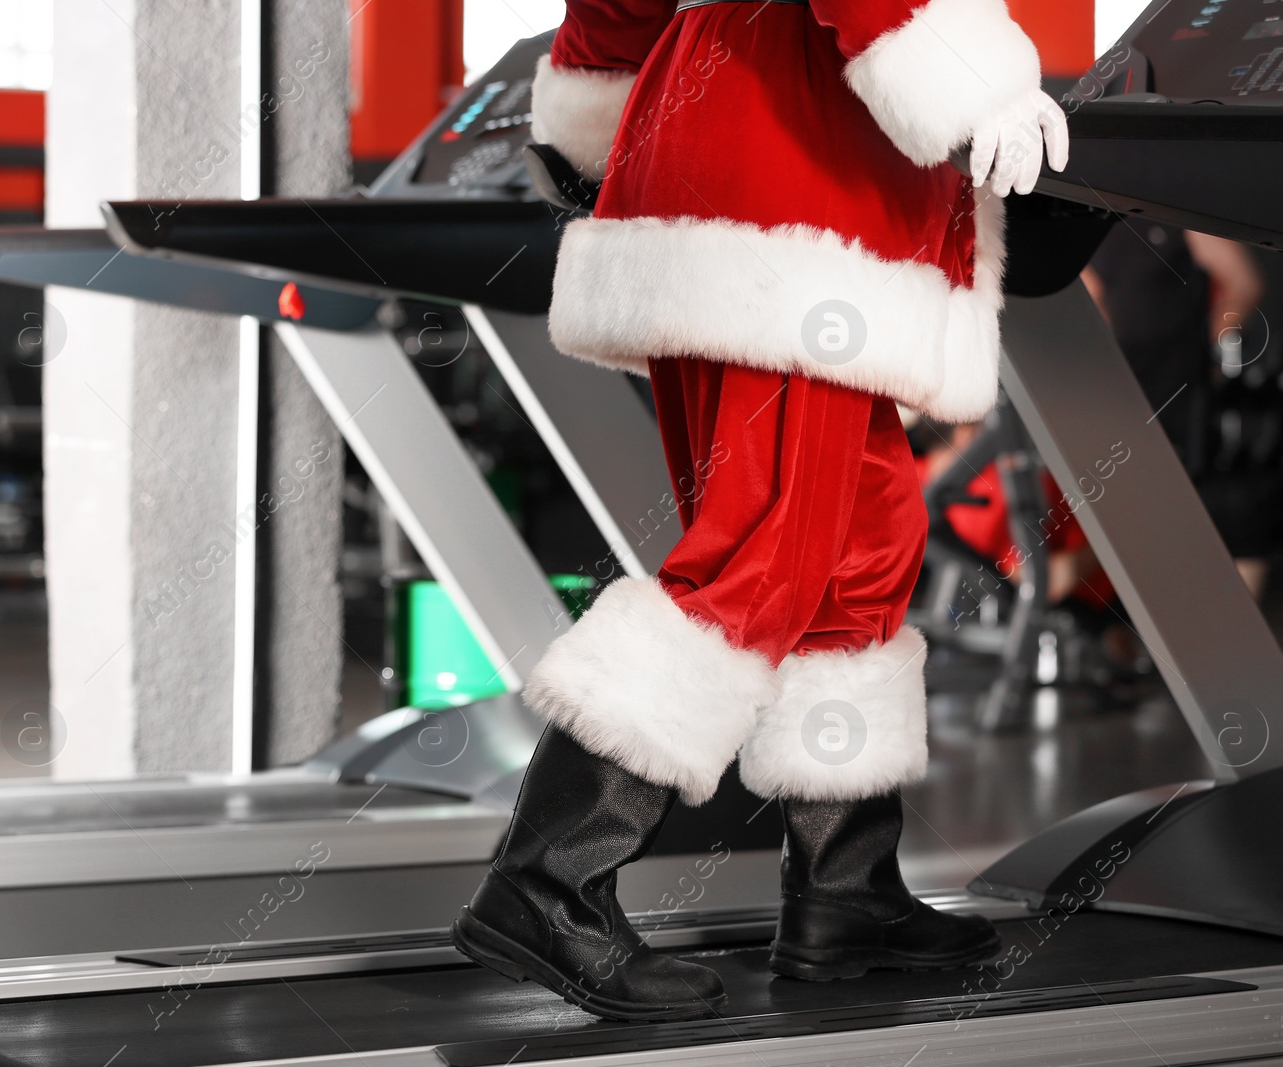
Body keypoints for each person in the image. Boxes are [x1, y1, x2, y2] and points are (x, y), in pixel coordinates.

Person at [451, 0, 1069, 1021]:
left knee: (859, 548)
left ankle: (843, 890)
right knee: (766, 548)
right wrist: (975, 82)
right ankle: (544, 882)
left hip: (717, 157)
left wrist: (607, 109)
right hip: (800, 186)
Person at [1082, 224, 1271, 599]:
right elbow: (1092, 298)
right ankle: (1146, 638)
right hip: (1121, 394)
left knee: (1199, 507)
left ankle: (1221, 630)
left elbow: (1244, 283)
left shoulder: (1173, 213)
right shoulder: (1094, 220)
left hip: (1181, 388)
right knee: (1136, 514)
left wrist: (1219, 341)